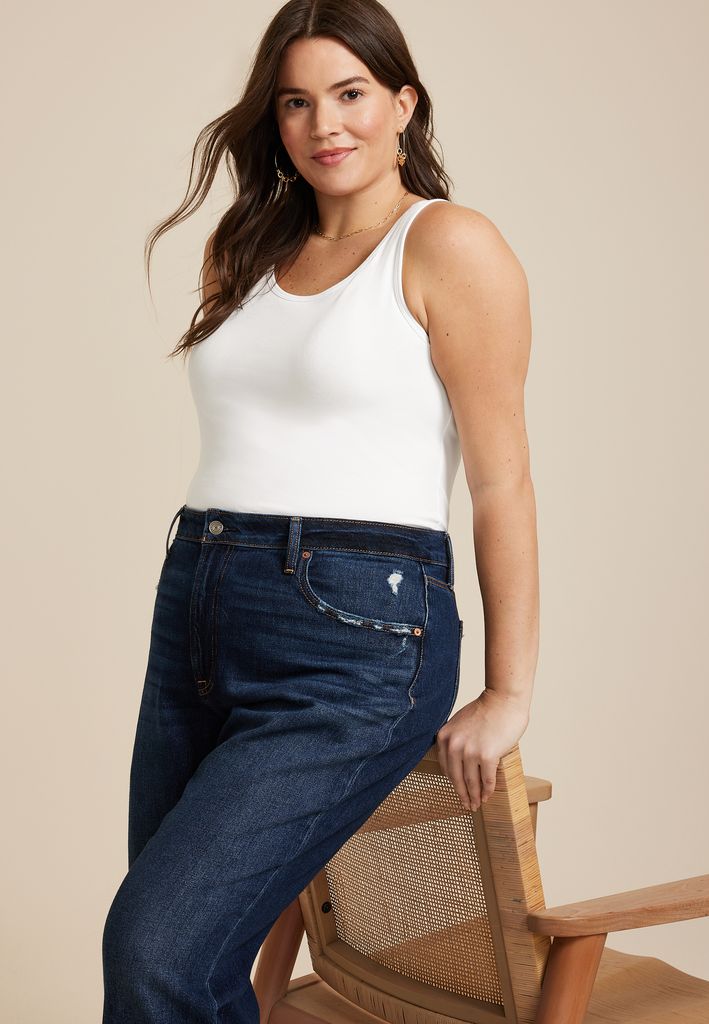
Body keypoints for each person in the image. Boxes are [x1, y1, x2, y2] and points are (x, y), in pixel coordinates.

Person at [101, 1, 538, 1021]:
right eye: (296, 102)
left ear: (403, 104)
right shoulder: (244, 246)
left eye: (349, 94)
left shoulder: (447, 244)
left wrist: (507, 689)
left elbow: (501, 481)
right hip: (199, 600)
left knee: (155, 945)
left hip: (355, 634)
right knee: (183, 956)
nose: (323, 124)